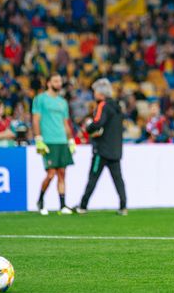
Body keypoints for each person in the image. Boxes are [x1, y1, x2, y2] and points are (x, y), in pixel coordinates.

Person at [76, 78, 127, 215]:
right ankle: (123, 206)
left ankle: (82, 206)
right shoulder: (117, 106)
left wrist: (88, 127)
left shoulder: (102, 105)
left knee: (93, 177)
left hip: (102, 149)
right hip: (116, 149)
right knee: (118, 179)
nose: (94, 94)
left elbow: (98, 123)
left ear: (100, 93)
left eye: (95, 91)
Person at [32, 73, 76, 215]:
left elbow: (65, 123)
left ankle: (63, 205)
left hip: (62, 140)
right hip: (48, 141)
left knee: (62, 173)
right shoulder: (40, 99)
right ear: (48, 83)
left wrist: (71, 139)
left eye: (60, 81)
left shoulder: (63, 102)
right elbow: (36, 119)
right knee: (50, 174)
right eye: (56, 81)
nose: (59, 83)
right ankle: (41, 200)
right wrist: (38, 138)